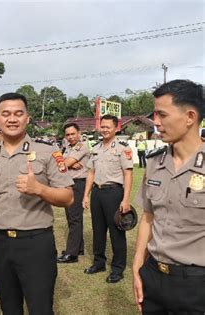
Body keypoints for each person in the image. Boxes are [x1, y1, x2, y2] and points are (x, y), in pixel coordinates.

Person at [0, 92, 74, 315]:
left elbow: (68, 198)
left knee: (40, 308)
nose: (12, 119)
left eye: (18, 114)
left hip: (36, 242)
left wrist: (39, 189)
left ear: (27, 118)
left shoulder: (47, 151)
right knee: (8, 307)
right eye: (6, 114)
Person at [133, 79, 205, 314]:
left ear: (190, 117)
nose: (156, 123)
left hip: (196, 284)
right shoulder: (155, 163)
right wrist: (137, 265)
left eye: (162, 115)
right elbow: (148, 218)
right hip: (153, 276)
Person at [82, 114, 133, 283]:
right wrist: (86, 195)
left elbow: (128, 174)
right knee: (98, 230)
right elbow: (91, 172)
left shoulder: (122, 149)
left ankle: (118, 269)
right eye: (102, 126)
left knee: (116, 232)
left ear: (116, 128)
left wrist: (125, 200)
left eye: (107, 127)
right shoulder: (95, 148)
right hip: (97, 193)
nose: (104, 129)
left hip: (114, 193)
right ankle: (99, 263)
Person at [57, 123, 90, 263]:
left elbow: (61, 164)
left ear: (79, 133)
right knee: (71, 217)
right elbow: (58, 162)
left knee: (74, 218)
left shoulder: (81, 146)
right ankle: (78, 248)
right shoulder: (67, 147)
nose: (70, 137)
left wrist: (65, 162)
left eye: (72, 134)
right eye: (68, 135)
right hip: (69, 183)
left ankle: (72, 254)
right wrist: (66, 162)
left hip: (78, 184)